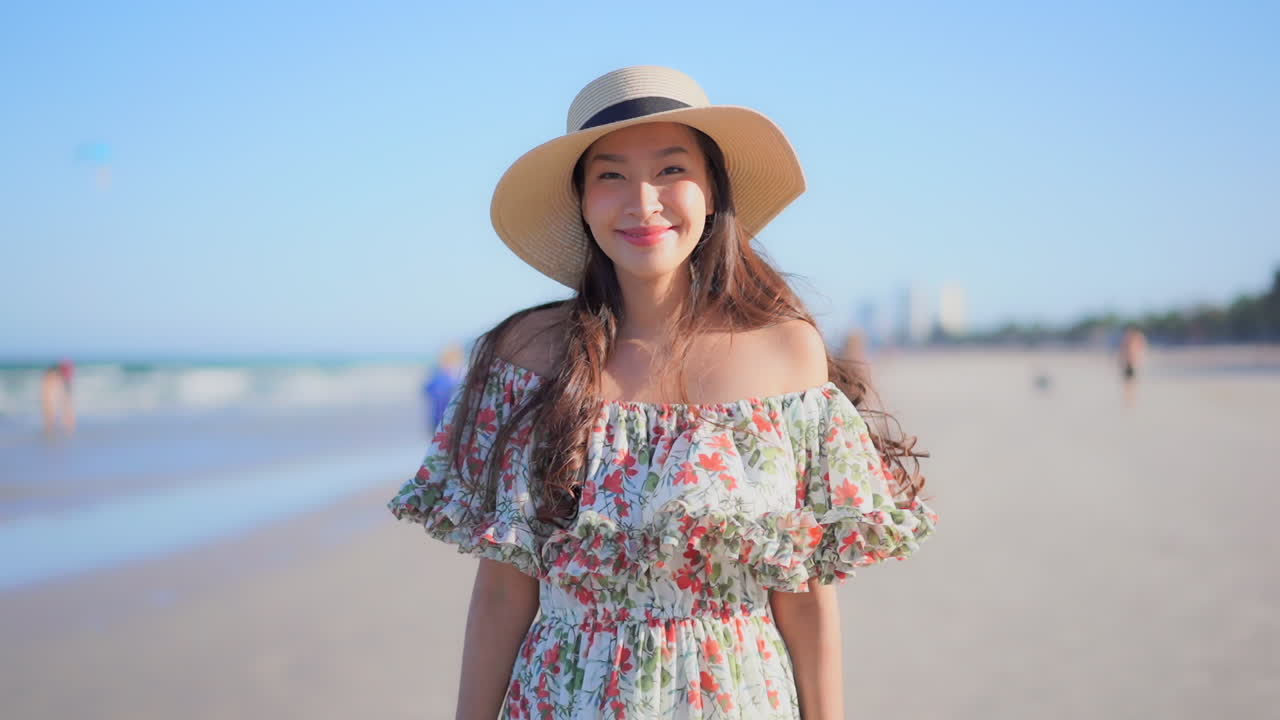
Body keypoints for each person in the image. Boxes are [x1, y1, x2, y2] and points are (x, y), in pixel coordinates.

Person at [388, 66, 938, 719]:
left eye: (672, 170)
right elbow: (505, 593)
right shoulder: (527, 358)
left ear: (711, 191)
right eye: (611, 175)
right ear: (582, 202)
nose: (643, 201)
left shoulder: (785, 354)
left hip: (736, 698)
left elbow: (805, 595)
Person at [423, 342, 466, 434]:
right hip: (441, 418)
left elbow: (427, 389)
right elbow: (428, 389)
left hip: (453, 419)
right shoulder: (439, 374)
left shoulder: (459, 374)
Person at [40, 359, 76, 436]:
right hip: (56, 393)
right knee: (52, 411)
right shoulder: (55, 379)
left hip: (54, 394)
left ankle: (51, 429)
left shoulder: (51, 379)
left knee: (51, 411)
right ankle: (52, 429)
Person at [1119, 325, 1148, 407]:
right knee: (1128, 381)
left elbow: (1142, 348)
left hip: (1133, 362)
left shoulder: (1137, 337)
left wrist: (1140, 359)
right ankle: (1129, 398)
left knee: (1132, 380)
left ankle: (1131, 398)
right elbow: (1123, 349)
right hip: (1128, 362)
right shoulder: (1127, 338)